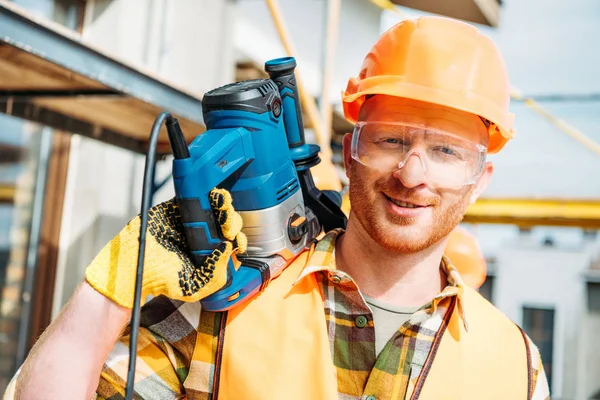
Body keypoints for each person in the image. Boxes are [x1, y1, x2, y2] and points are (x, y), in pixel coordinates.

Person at [11, 16, 550, 400]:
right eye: (389, 140)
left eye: (446, 151)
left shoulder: (516, 368)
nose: (412, 174)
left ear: (480, 180)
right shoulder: (219, 304)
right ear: (348, 153)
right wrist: (110, 286)